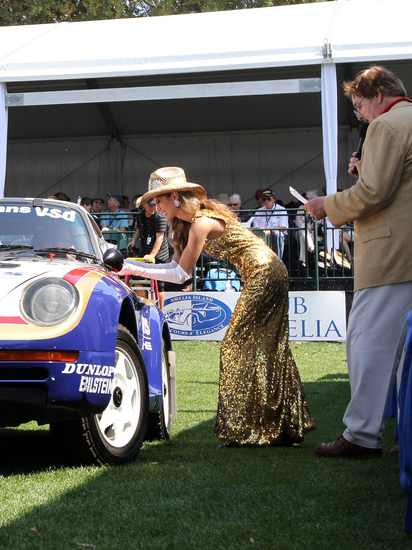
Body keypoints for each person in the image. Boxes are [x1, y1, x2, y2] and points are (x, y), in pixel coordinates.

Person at [118, 167, 315, 447]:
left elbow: (180, 275)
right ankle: (277, 428)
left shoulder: (201, 222)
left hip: (265, 273)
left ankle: (251, 430)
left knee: (237, 346)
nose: (156, 207)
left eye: (158, 201)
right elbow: (175, 268)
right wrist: (132, 265)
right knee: (266, 347)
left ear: (174, 196)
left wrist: (126, 265)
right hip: (265, 271)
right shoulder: (187, 225)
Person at [305, 65, 412, 459]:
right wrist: (364, 169)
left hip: (391, 256)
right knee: (404, 354)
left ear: (378, 94)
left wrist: (325, 205)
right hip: (405, 253)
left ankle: (363, 435)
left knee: (367, 344)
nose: (360, 114)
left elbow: (375, 193)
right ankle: (399, 431)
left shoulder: (386, 127)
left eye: (359, 104)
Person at [126, 197, 170, 306]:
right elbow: (139, 230)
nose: (153, 207)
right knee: (137, 280)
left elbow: (160, 238)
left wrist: (152, 255)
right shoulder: (140, 215)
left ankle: (160, 313)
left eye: (154, 205)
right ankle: (146, 306)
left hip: (160, 256)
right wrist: (133, 241)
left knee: (160, 287)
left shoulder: (160, 217)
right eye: (150, 205)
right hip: (144, 253)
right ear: (144, 205)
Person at [246, 189, 288, 257]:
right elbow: (256, 227)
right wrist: (261, 229)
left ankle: (278, 260)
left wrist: (271, 231)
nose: (266, 201)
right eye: (264, 199)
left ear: (274, 199)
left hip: (277, 235)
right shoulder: (259, 211)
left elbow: (283, 227)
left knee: (278, 234)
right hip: (264, 235)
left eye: (268, 199)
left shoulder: (282, 210)